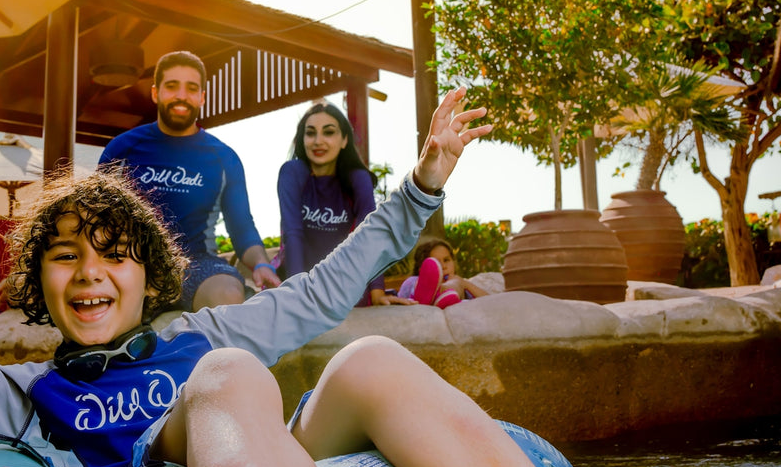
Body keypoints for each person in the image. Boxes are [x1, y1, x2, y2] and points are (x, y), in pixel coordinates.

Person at [0, 87, 665, 467]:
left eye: (113, 257)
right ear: (37, 281)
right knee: (227, 372)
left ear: (148, 277)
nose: (89, 273)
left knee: (363, 356)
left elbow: (332, 285)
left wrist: (421, 185)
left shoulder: (208, 326)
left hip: (275, 462)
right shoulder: (23, 396)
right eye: (64, 257)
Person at [99, 51, 280, 310]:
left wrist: (261, 264)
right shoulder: (122, 149)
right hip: (132, 264)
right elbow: (96, 221)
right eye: (172, 86)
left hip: (197, 264)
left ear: (202, 97)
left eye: (191, 88)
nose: (181, 96)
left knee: (228, 293)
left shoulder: (224, 158)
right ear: (155, 93)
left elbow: (242, 227)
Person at [277, 101, 403, 306]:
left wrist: (378, 291)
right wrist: (297, 293)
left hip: (345, 286)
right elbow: (292, 234)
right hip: (299, 282)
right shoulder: (292, 173)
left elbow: (370, 234)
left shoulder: (358, 179)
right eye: (310, 133)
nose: (318, 141)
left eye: (328, 132)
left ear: (344, 140)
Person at [397, 236, 492, 308]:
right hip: (416, 300)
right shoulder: (413, 281)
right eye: (436, 263)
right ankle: (429, 294)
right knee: (413, 282)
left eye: (446, 260)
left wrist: (465, 284)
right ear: (422, 268)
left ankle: (443, 294)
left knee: (456, 283)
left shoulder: (461, 284)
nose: (443, 266)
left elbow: (491, 302)